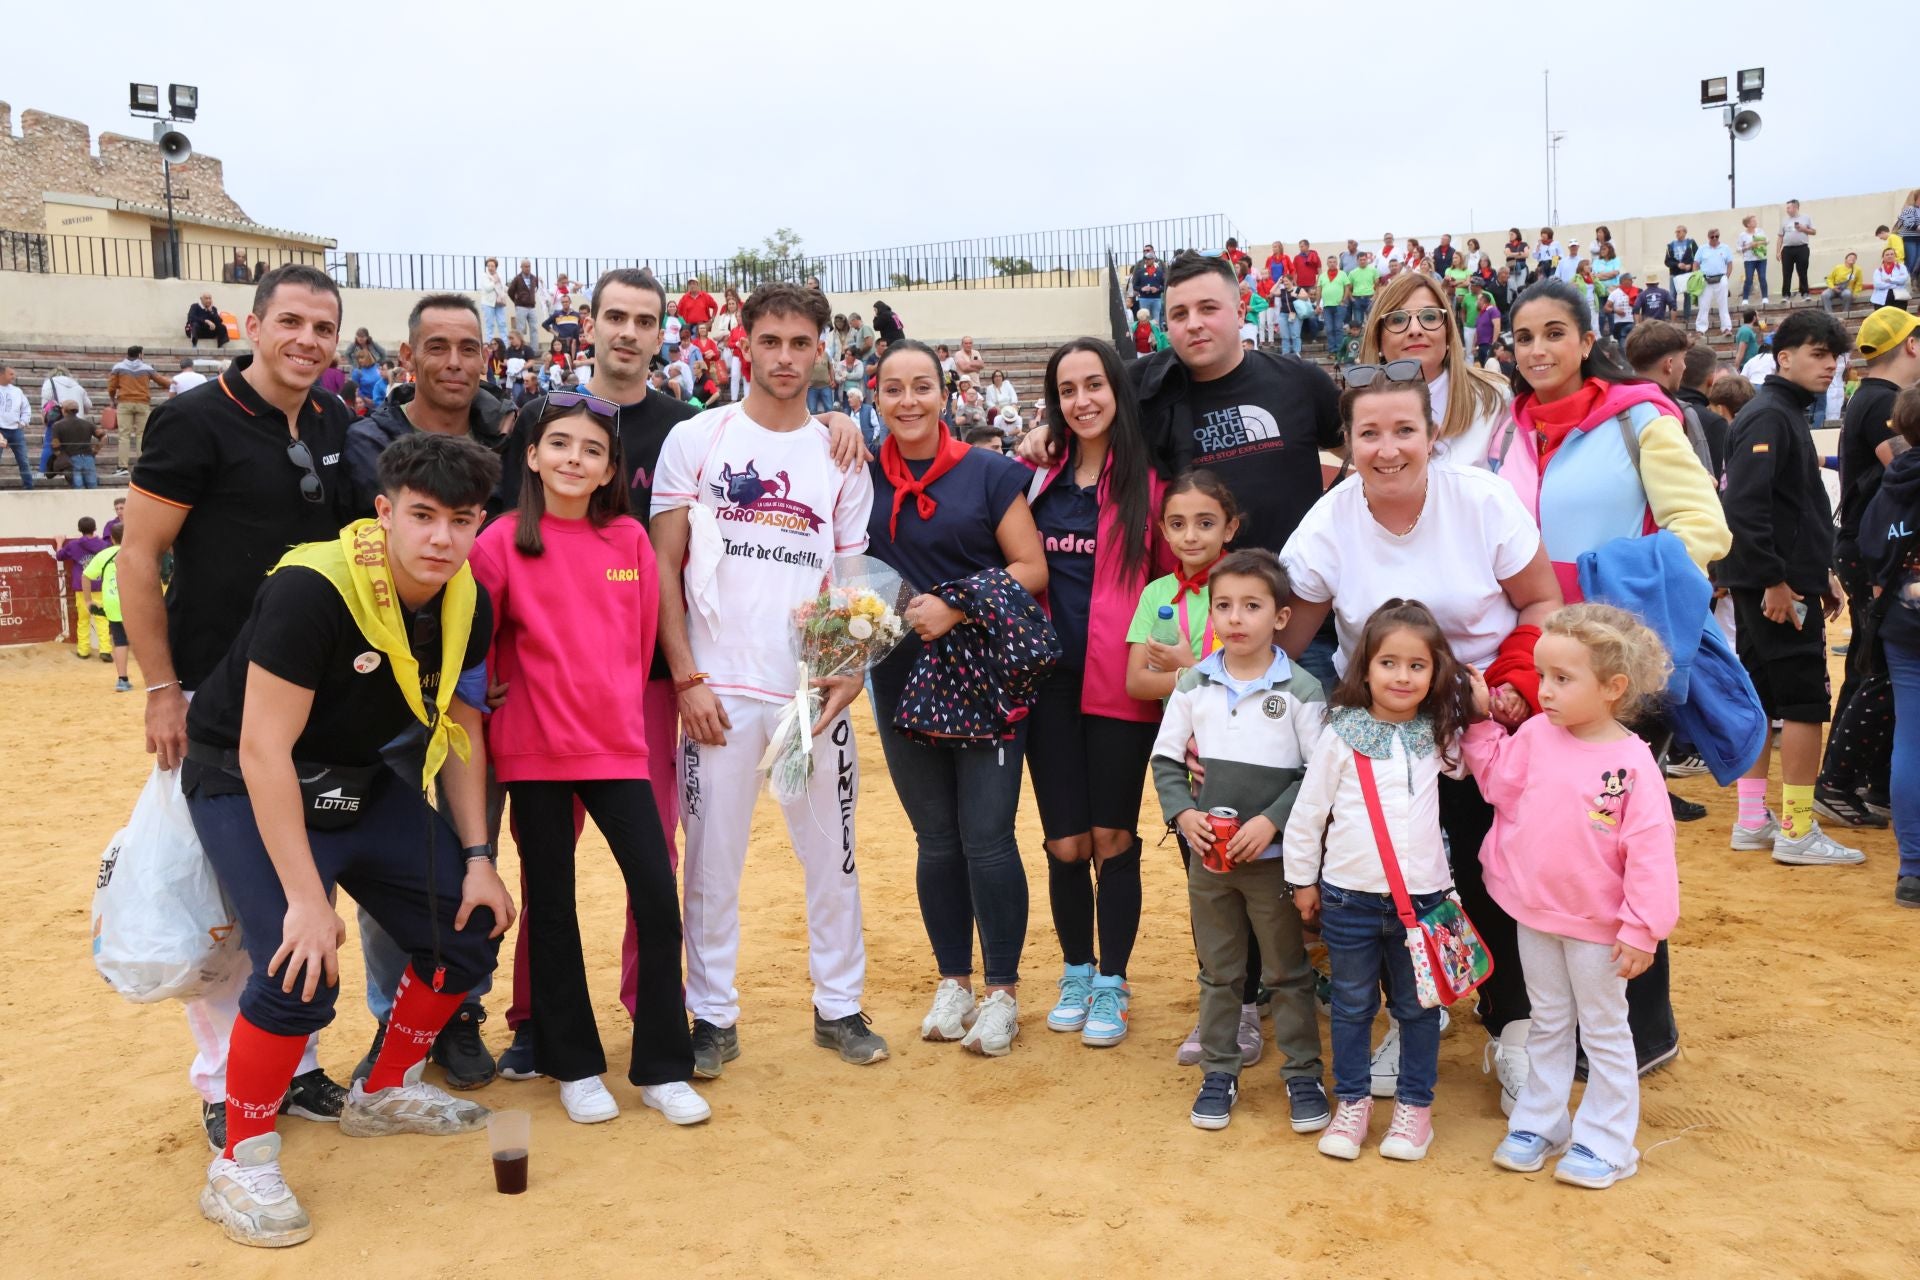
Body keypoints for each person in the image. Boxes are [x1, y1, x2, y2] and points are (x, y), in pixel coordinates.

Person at [183, 433, 514, 1248]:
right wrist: (304, 900)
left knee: (468, 928)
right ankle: (240, 1158)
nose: (441, 538)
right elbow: (262, 748)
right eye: (423, 516)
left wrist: (479, 860)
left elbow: (462, 723)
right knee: (299, 967)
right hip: (246, 777)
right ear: (383, 511)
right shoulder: (314, 587)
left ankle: (384, 1088)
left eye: (461, 521)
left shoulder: (466, 598)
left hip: (357, 782)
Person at [1279, 361, 1561, 1109]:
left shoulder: (1481, 500)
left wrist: (1504, 690)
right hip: (1383, 737)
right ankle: (1414, 1017)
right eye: (1369, 433)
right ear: (1347, 442)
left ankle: (1515, 1031)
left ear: (1433, 435)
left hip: (1482, 723)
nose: (1388, 447)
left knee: (1488, 878)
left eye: (1405, 429)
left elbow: (1540, 603)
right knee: (1397, 887)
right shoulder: (1329, 522)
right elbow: (1289, 645)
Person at [122, 264, 357, 1153]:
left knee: (297, 880)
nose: (306, 340)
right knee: (229, 897)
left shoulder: (332, 418)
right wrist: (160, 688)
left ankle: (292, 1064)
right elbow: (140, 558)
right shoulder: (194, 419)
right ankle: (224, 1081)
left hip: (305, 697)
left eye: (322, 328)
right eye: (289, 322)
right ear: (253, 326)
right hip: (216, 702)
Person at [650, 282, 889, 1074]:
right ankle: (712, 1017)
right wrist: (686, 677)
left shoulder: (841, 453)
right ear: (743, 344)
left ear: (821, 347)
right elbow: (665, 566)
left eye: (800, 343)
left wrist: (846, 671)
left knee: (833, 857)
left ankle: (839, 1007)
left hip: (808, 698)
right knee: (712, 864)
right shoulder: (697, 438)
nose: (785, 358)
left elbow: (853, 580)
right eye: (771, 342)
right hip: (718, 692)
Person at [1497, 278, 1727, 1073]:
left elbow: (1705, 528)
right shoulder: (1507, 429)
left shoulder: (1639, 418)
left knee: (1616, 850)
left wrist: (1605, 594)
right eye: (1524, 337)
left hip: (1614, 670)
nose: (1538, 352)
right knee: (1557, 844)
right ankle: (1570, 1028)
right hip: (1538, 664)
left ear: (1587, 337)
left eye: (1554, 333)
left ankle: (1643, 1029)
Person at [469, 393, 707, 1127]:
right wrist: (492, 689)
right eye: (561, 444)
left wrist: (606, 707)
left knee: (658, 900)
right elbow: (474, 643)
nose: (576, 458)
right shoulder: (499, 543)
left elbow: (638, 649)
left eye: (593, 450)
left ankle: (663, 1065)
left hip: (617, 750)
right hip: (535, 752)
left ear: (610, 470)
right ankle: (572, 1064)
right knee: (555, 907)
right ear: (533, 457)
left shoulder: (631, 541)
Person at [859, 338, 1047, 1058]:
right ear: (874, 397)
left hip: (984, 672)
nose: (908, 401)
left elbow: (1030, 568)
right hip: (900, 673)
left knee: (988, 837)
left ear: (946, 394)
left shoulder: (992, 473)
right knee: (935, 839)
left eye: (921, 388)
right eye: (892, 389)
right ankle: (953, 981)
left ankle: (1001, 991)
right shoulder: (858, 476)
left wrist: (956, 607)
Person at [1467, 604, 1677, 1190]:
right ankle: (1542, 1121)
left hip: (1600, 929)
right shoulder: (1535, 733)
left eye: (1563, 679)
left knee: (1605, 1029)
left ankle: (1607, 1141)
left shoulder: (1632, 765)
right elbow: (1499, 784)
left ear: (1614, 688)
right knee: (1549, 1020)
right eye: (1542, 675)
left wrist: (1643, 927)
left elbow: (1652, 851)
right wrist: (1483, 724)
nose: (1545, 691)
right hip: (1534, 913)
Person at [1287, 599, 1474, 1163]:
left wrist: (1472, 699)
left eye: (1417, 665)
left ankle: (1415, 1108)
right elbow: (1308, 813)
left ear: (1434, 672)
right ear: (1364, 667)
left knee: (1418, 1009)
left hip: (1425, 903)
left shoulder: (1441, 736)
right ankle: (1353, 1102)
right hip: (1348, 899)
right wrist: (1302, 880)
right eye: (1389, 663)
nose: (1402, 676)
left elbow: (1468, 766)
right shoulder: (1339, 736)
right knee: (1349, 1005)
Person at [1023, 339, 1168, 1049]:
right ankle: (1075, 971)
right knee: (1064, 841)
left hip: (1121, 686)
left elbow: (1176, 584)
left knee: (1113, 838)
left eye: (1095, 385)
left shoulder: (1153, 486)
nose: (1083, 400)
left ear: (1117, 390)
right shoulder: (1037, 479)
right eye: (1068, 389)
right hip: (1048, 686)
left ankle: (1112, 981)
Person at [1153, 551, 1328, 1133]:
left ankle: (1303, 1074)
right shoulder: (1193, 683)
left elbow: (1316, 776)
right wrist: (1182, 815)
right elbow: (1165, 759)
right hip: (1210, 862)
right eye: (1224, 605)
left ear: (1280, 617)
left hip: (1273, 865)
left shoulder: (1302, 691)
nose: (1236, 618)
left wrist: (1273, 820)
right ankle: (1220, 1072)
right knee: (1220, 971)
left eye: (1251, 606)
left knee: (1286, 972)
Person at [1721, 309, 1864, 866]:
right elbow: (1745, 508)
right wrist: (1778, 580)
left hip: (1778, 582)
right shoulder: (1771, 415)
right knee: (1804, 704)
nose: (1830, 365)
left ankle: (1754, 821)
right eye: (1817, 354)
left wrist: (1816, 571)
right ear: (1783, 357)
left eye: (1834, 356)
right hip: (1774, 588)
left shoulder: (1778, 413)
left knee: (1761, 701)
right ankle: (1798, 830)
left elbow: (1793, 509)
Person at [1819, 309, 1920, 829]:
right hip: (1879, 553)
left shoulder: (1868, 397)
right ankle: (1838, 780)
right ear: (1911, 347)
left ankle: (1871, 782)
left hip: (1868, 546)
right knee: (1881, 669)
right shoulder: (1882, 401)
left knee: (1873, 664)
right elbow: (1903, 463)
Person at [1859, 384, 1920, 907]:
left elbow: (1873, 554)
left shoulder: (1891, 483)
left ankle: (1914, 869)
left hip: (1902, 623)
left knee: (1912, 741)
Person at [1356, 270, 1512, 470]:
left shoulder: (1494, 397)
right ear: (1378, 338)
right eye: (1397, 319)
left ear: (1447, 331)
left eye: (1429, 316)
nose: (1414, 329)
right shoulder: (1360, 407)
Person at [82, 522, 132, 690]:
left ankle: (122, 680)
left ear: (111, 538)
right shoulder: (136, 552)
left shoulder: (104, 554)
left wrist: (88, 600)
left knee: (120, 641)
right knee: (148, 640)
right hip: (135, 601)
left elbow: (86, 576)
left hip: (112, 601)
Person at [108, 345, 173, 474]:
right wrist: (173, 383)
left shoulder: (118, 367)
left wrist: (112, 399)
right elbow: (162, 382)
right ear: (139, 355)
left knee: (124, 435)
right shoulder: (146, 368)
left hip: (124, 403)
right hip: (142, 403)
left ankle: (122, 467)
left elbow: (112, 387)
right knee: (142, 435)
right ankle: (142, 464)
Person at [59, 516, 111, 660]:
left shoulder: (73, 545)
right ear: (95, 528)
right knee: (102, 620)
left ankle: (83, 650)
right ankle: (105, 650)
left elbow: (59, 556)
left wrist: (59, 543)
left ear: (79, 530)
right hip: (99, 586)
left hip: (82, 588)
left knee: (83, 620)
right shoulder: (103, 545)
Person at [51, 399, 104, 487]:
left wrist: (60, 457)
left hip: (71, 459)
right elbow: (104, 437)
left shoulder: (57, 425)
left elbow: (55, 445)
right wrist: (95, 451)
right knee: (93, 488)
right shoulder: (87, 424)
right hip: (88, 458)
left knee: (78, 489)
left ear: (64, 410)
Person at [1692, 229, 1735, 335]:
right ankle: (1701, 329)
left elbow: (1729, 264)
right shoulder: (1702, 249)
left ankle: (1726, 328)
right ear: (1708, 237)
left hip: (1721, 278)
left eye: (1717, 236)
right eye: (1712, 237)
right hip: (1706, 279)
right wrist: (1697, 276)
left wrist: (1727, 276)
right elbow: (1696, 264)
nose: (1715, 238)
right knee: (1704, 305)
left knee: (1723, 305)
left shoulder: (1725, 248)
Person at [0, 365, 32, 490]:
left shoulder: (17, 391)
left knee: (23, 460)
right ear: (2, 374)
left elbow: (26, 407)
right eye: (11, 374)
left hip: (15, 431)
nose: (14, 376)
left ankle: (29, 487)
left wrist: (23, 422)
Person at [1777, 200, 1816, 302]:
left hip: (1802, 248)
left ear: (1795, 208)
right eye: (1787, 208)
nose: (1787, 210)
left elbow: (1813, 231)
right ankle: (1786, 295)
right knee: (1786, 273)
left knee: (1802, 271)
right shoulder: (1784, 221)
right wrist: (1778, 251)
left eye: (1789, 208)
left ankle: (1805, 293)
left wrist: (1803, 229)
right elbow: (1780, 237)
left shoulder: (1806, 218)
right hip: (1787, 249)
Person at [480, 257, 511, 344]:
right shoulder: (484, 276)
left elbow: (503, 287)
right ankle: (490, 345)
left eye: (492, 266)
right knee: (489, 325)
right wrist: (494, 281)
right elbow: (488, 288)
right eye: (488, 265)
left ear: (496, 267)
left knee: (502, 323)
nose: (490, 267)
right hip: (488, 303)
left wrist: (511, 290)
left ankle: (505, 345)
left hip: (499, 303)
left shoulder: (499, 276)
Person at [1823, 252, 1866, 316]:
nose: (1852, 259)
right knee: (1825, 294)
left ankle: (1845, 313)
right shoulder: (1838, 268)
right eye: (1850, 257)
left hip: (1847, 289)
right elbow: (1829, 278)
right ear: (1845, 259)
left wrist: (1855, 293)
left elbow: (1859, 283)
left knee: (1848, 294)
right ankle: (1829, 314)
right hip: (1835, 287)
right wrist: (1833, 287)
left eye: (1854, 258)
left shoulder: (1857, 270)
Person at [508, 261, 541, 344]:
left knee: (534, 328)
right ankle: (520, 348)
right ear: (521, 267)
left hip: (532, 307)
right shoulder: (517, 279)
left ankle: (534, 350)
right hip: (521, 307)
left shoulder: (534, 278)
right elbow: (510, 291)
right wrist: (517, 301)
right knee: (520, 329)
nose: (528, 268)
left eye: (529, 266)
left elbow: (536, 288)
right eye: (526, 266)